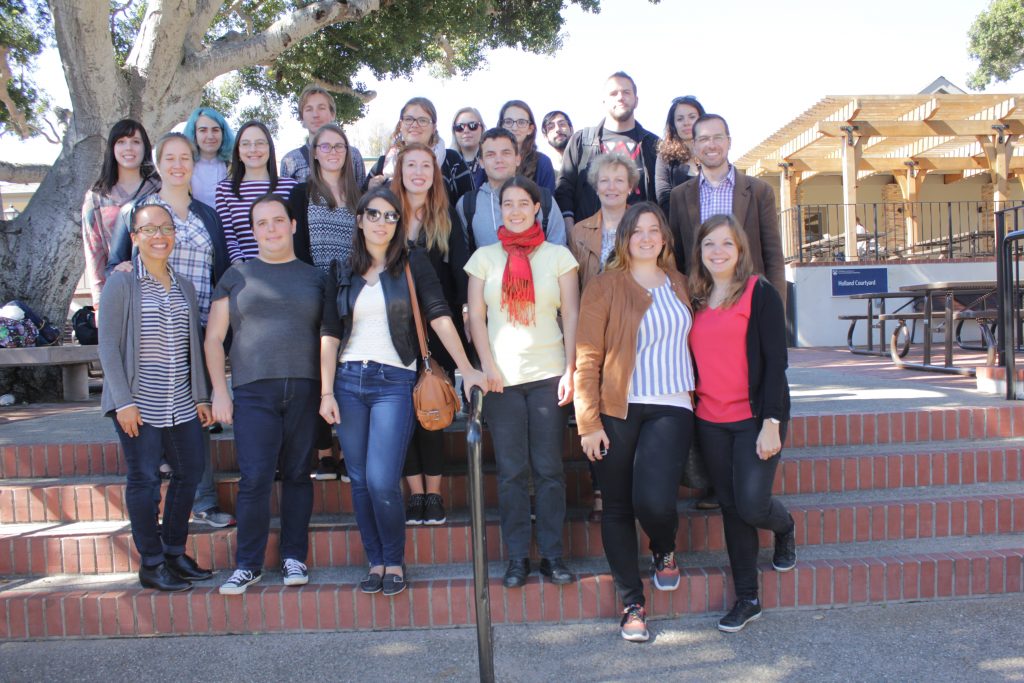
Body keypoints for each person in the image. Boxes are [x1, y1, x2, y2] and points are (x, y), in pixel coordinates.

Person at [319, 187, 485, 597]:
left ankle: (394, 558)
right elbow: (328, 334)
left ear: (397, 224)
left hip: (395, 381)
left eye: (390, 216)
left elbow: (439, 315)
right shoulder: (341, 269)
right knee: (358, 480)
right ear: (359, 220)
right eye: (373, 214)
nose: (381, 222)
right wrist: (326, 392)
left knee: (380, 479)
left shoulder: (413, 262)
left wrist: (466, 368)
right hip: (348, 380)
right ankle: (375, 560)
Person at [574, 201, 695, 642]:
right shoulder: (605, 286)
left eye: (653, 229)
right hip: (617, 407)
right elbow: (587, 357)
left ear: (664, 237)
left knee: (655, 503)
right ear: (624, 237)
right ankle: (632, 604)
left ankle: (663, 548)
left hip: (672, 404)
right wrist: (588, 422)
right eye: (637, 230)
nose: (646, 237)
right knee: (618, 507)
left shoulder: (682, 284)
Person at [206, 195, 333, 595]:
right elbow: (213, 339)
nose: (271, 229)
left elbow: (329, 337)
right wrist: (218, 391)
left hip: (304, 388)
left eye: (278, 221)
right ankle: (248, 564)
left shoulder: (316, 278)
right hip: (252, 391)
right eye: (262, 223)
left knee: (298, 475)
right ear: (253, 230)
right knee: (255, 478)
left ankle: (294, 556)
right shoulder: (236, 275)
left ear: (293, 226)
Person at [107, 132, 235, 528]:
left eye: (186, 158)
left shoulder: (205, 215)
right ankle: (154, 526)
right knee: (151, 434)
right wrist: (121, 269)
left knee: (195, 420)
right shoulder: (139, 212)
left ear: (194, 165)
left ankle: (204, 501)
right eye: (171, 158)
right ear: (158, 163)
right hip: (149, 331)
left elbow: (222, 273)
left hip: (196, 328)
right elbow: (115, 264)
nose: (179, 165)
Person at [465, 175, 579, 589]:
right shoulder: (484, 258)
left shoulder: (559, 257)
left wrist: (571, 369)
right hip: (501, 380)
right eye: (507, 204)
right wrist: (486, 365)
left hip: (549, 375)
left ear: (537, 208)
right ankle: (517, 558)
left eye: (522, 204)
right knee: (512, 471)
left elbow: (571, 315)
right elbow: (475, 316)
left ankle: (552, 555)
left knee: (549, 469)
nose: (515, 211)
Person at [687, 213, 796, 633]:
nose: (718, 251)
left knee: (752, 505)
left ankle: (784, 527)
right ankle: (748, 598)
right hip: (710, 421)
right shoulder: (695, 299)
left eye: (727, 244)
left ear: (740, 250)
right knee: (732, 508)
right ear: (699, 251)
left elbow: (776, 364)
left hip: (754, 418)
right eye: (709, 243)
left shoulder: (758, 292)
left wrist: (772, 422)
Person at [97, 203, 214, 592]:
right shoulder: (122, 283)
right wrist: (123, 402)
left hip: (180, 401)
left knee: (189, 472)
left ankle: (174, 552)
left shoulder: (184, 285)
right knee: (144, 480)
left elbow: (191, 346)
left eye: (166, 228)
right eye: (149, 230)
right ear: (135, 238)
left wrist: (201, 395)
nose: (159, 235)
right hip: (138, 404)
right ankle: (150, 562)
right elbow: (108, 347)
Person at [390, 143, 470, 526]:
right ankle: (415, 494)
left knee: (433, 407)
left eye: (426, 165)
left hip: (437, 330)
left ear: (435, 173)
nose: (418, 172)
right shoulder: (384, 213)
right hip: (391, 330)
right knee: (403, 415)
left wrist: (462, 331)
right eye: (411, 165)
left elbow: (459, 277)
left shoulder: (446, 217)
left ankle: (434, 494)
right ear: (400, 171)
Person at [567, 151, 640, 523]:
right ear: (595, 186)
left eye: (619, 180)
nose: (611, 186)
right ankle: (601, 489)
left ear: (631, 186)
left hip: (636, 331)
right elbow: (574, 285)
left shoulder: (645, 226)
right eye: (605, 180)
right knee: (594, 405)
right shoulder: (579, 231)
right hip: (595, 330)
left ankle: (633, 488)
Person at [288, 122, 362, 482]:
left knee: (345, 371)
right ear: (314, 152)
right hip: (313, 289)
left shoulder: (359, 194)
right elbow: (296, 247)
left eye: (339, 147)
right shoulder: (300, 194)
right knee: (316, 370)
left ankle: (347, 450)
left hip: (350, 292)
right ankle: (323, 452)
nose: (333, 152)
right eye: (325, 146)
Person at [667, 114, 787, 308]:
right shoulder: (679, 196)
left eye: (718, 137)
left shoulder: (759, 192)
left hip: (750, 304)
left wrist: (776, 310)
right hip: (700, 306)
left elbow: (773, 256)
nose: (711, 144)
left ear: (729, 142)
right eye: (704, 139)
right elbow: (677, 260)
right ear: (695, 146)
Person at [555, 72, 660, 232]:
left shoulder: (653, 145)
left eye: (626, 92)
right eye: (613, 93)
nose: (620, 97)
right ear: (604, 101)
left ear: (636, 100)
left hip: (640, 240)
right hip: (589, 242)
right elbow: (564, 188)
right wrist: (571, 231)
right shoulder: (582, 141)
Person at [82, 119, 160, 312]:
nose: (129, 148)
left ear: (145, 147)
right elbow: (94, 251)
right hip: (117, 289)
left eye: (135, 141)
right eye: (121, 141)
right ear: (112, 147)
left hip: (158, 288)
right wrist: (99, 302)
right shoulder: (97, 197)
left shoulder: (159, 189)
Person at [456, 128, 566, 250]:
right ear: (481, 162)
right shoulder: (467, 205)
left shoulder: (543, 199)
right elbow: (463, 258)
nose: (499, 160)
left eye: (506, 153)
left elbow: (559, 253)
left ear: (517, 159)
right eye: (490, 154)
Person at [364, 97, 474, 206]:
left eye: (423, 120)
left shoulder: (452, 161)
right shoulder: (383, 164)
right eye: (408, 119)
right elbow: (361, 207)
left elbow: (468, 205)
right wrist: (369, 191)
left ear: (434, 127)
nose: (415, 125)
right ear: (401, 125)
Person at [215, 120, 298, 263]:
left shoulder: (291, 187)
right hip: (245, 275)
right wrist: (244, 269)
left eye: (260, 143)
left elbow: (296, 236)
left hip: (286, 272)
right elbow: (228, 238)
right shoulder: (224, 190)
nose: (253, 149)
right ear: (238, 151)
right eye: (246, 144)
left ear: (269, 148)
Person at [280, 84, 367, 190]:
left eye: (321, 108)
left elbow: (361, 196)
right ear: (302, 118)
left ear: (332, 114)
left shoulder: (353, 155)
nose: (315, 114)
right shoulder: (290, 160)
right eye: (309, 109)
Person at [655, 96, 705, 215]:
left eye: (692, 117)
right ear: (673, 124)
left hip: (713, 226)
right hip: (677, 227)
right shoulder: (665, 157)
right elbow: (664, 198)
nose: (686, 123)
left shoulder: (713, 152)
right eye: (680, 119)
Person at [498, 100, 556, 193]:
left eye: (521, 122)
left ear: (530, 129)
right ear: (501, 126)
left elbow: (548, 204)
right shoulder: (489, 160)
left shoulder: (543, 163)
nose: (514, 127)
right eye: (508, 122)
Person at [183, 107, 234, 208]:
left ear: (223, 134)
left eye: (215, 130)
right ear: (194, 134)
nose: (210, 136)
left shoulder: (234, 169)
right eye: (203, 130)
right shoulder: (184, 169)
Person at [450, 107, 485, 187]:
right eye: (460, 127)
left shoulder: (491, 161)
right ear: (454, 132)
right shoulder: (448, 164)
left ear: (482, 129)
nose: (466, 130)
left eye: (472, 125)